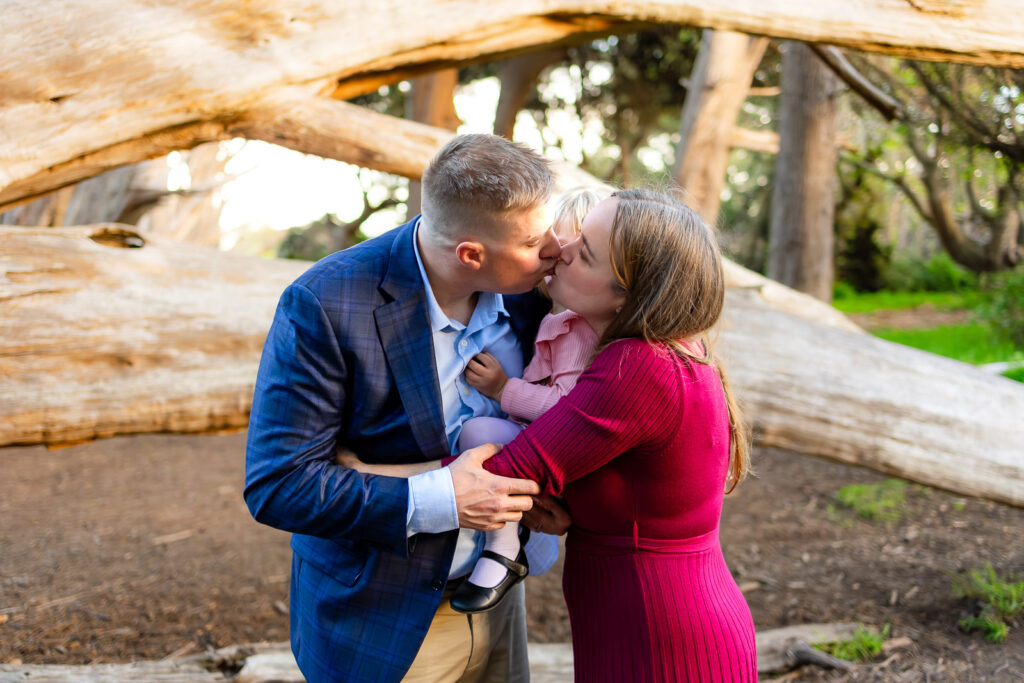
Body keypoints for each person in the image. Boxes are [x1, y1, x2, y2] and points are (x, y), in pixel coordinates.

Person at [358, 188, 758, 680]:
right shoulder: (670, 348)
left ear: (628, 296)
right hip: (640, 614)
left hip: (660, 634)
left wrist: (360, 474)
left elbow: (507, 471)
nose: (558, 250)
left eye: (583, 252)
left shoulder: (639, 365)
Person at [244, 134, 572, 683]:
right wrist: (442, 496)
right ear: (471, 254)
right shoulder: (325, 303)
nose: (557, 248)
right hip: (385, 620)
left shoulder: (535, 291)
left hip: (500, 599)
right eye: (537, 239)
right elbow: (278, 485)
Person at [448, 187, 609, 613]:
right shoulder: (555, 313)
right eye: (549, 246)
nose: (554, 257)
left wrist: (503, 389)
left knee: (478, 433)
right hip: (541, 437)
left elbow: (566, 410)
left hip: (553, 442)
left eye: (574, 254)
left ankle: (503, 548)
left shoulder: (577, 329)